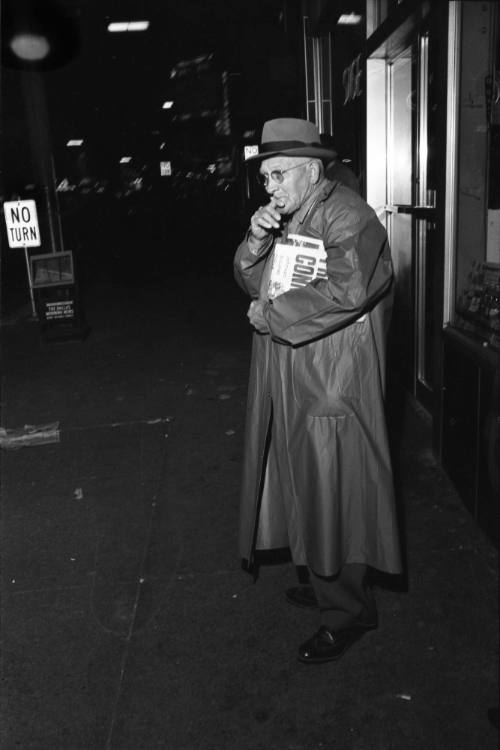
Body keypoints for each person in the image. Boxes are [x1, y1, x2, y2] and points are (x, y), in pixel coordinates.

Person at [233, 118, 402, 664]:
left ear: (311, 169)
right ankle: (327, 579)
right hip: (295, 375)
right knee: (306, 485)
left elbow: (348, 288)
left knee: (336, 493)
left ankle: (347, 610)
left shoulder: (347, 213)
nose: (271, 187)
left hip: (332, 382)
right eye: (265, 179)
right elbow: (256, 280)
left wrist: (273, 315)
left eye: (278, 175)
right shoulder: (292, 215)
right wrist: (256, 241)